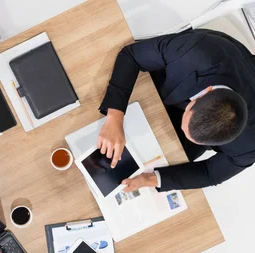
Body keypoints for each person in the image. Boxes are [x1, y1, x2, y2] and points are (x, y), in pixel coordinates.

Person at [97, 29, 254, 192]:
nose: (181, 127)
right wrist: (114, 117)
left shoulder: (249, 146)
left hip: (196, 123)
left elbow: (210, 174)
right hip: (173, 77)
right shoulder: (195, 51)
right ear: (205, 92)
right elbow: (131, 56)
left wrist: (150, 179)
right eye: (185, 125)